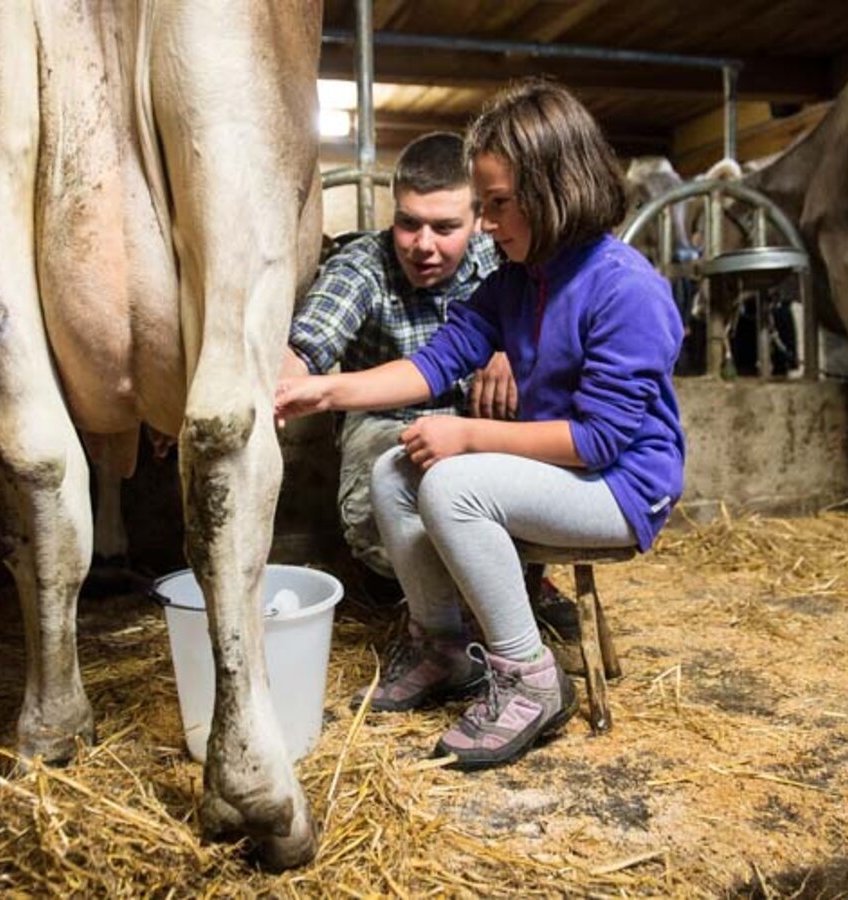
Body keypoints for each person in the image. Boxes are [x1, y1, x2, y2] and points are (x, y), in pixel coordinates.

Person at [275, 80, 686, 770]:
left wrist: (467, 435)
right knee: (392, 469)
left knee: (452, 485)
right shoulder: (518, 281)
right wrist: (324, 391)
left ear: (555, 189)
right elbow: (434, 364)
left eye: (497, 205)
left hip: (621, 488)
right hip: (566, 471)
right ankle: (443, 647)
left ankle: (529, 679)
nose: (487, 225)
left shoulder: (625, 287)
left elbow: (601, 440)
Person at [282, 132, 511, 597]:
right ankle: (406, 583)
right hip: (389, 418)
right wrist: (283, 380)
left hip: (477, 414)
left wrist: (516, 349)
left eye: (445, 228)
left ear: (478, 220)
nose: (422, 245)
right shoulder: (363, 265)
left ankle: (521, 574)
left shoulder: (503, 258)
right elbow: (307, 345)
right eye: (408, 223)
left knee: (534, 406)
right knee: (387, 470)